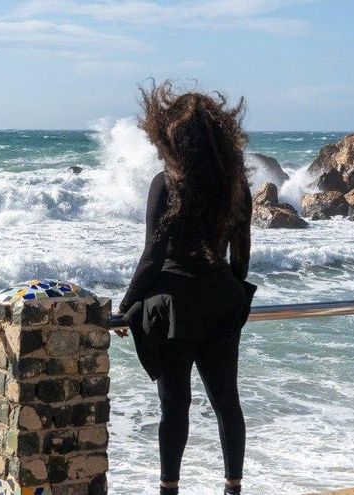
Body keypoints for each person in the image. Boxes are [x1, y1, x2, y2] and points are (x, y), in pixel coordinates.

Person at [119, 82, 254, 495]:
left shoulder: (166, 183)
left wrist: (126, 307)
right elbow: (241, 257)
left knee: (174, 407)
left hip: (173, 309)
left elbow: (153, 256)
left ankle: (169, 489)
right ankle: (233, 487)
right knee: (226, 403)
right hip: (220, 303)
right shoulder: (236, 186)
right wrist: (226, 292)